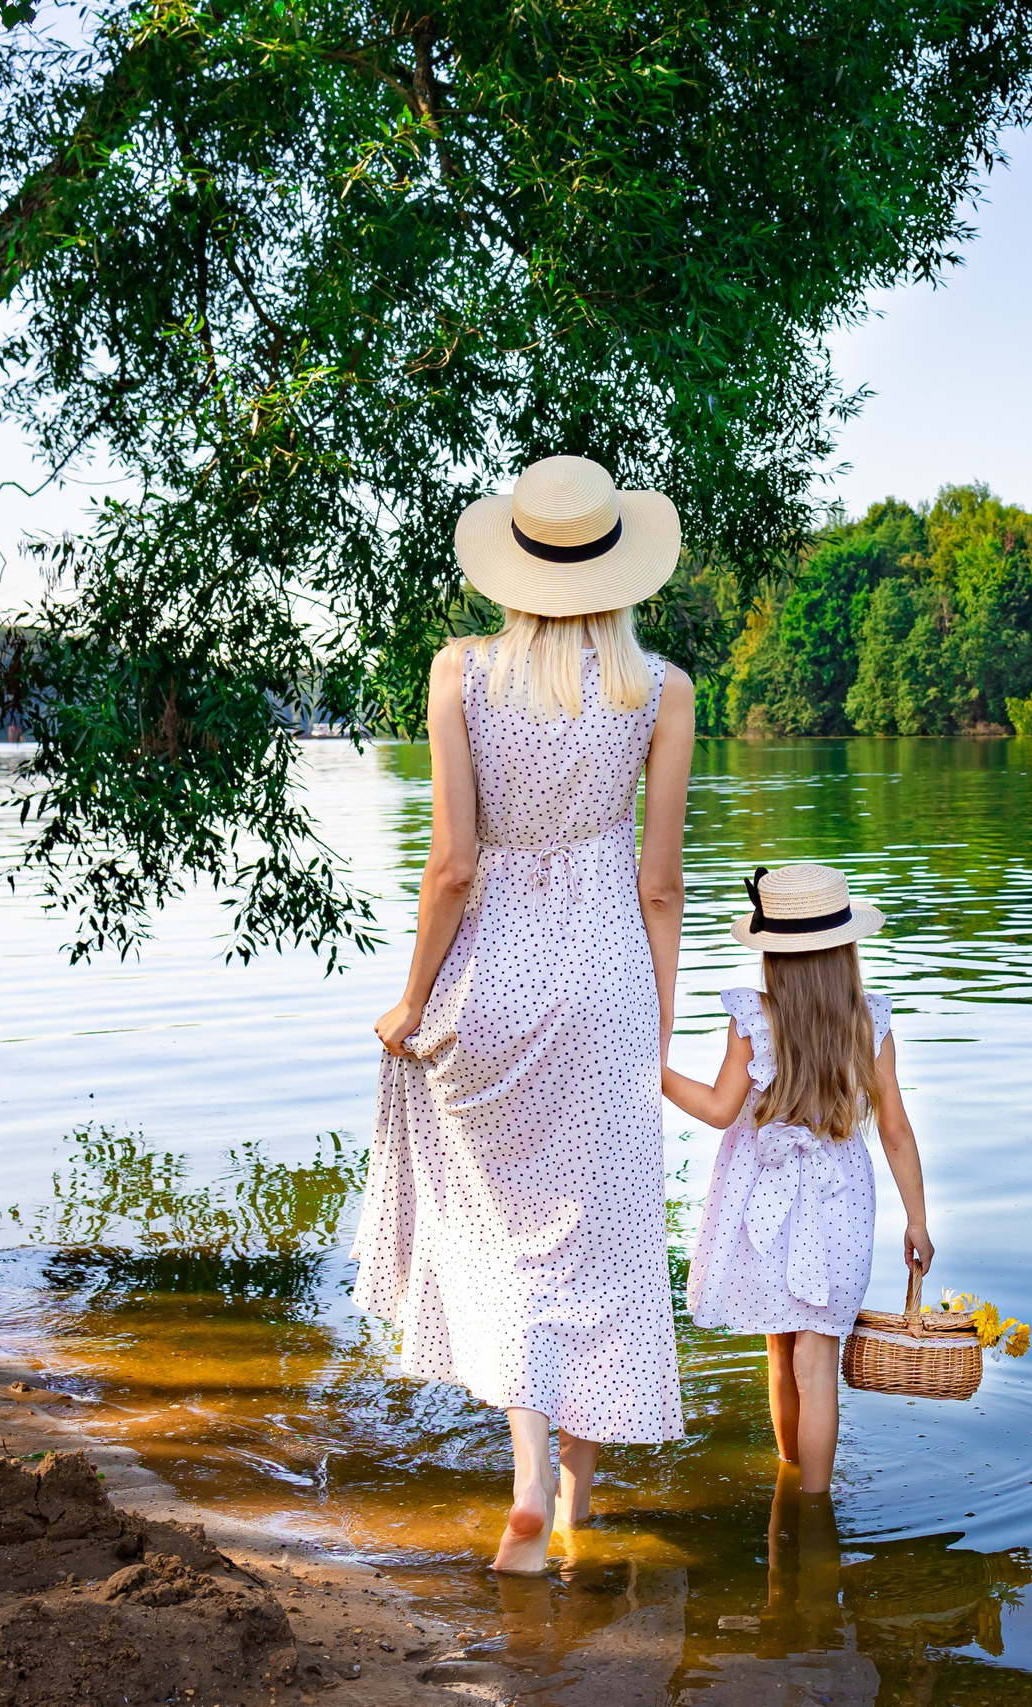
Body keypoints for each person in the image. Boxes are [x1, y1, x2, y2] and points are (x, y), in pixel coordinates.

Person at [352, 454, 697, 1575]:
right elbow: (660, 883)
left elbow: (451, 866)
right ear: (619, 566)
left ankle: (526, 1482)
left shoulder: (461, 674)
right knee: (600, 1237)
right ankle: (583, 1500)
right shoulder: (661, 689)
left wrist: (412, 1000)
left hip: (491, 980)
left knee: (511, 1240)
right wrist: (659, 1022)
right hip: (603, 979)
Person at [660, 863, 933, 1493]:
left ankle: (790, 1492)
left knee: (780, 1351)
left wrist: (653, 1066)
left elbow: (719, 1110)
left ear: (772, 954)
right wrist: (917, 1219)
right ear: (845, 946)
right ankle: (814, 1515)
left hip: (766, 1200)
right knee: (819, 1364)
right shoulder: (871, 1020)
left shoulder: (752, 1017)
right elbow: (895, 1131)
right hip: (841, 1201)